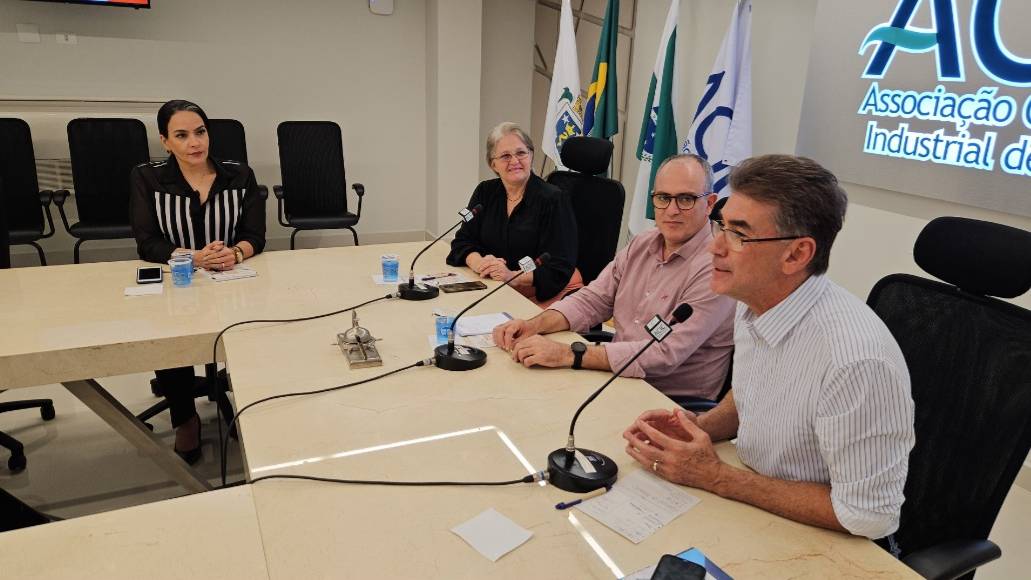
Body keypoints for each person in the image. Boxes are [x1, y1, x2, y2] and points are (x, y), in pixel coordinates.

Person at [622, 154, 916, 540]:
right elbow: (752, 395)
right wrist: (698, 429)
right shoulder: (755, 302)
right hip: (755, 501)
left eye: (739, 235)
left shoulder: (855, 361)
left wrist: (716, 477)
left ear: (796, 254)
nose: (715, 248)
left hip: (827, 542)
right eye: (722, 226)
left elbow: (869, 515)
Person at [493, 154, 735, 401]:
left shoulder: (717, 268)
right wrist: (534, 325)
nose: (672, 210)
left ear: (709, 204)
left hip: (668, 402)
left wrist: (570, 354)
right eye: (663, 198)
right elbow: (593, 299)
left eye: (686, 199)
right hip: (614, 379)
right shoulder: (642, 243)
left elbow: (664, 353)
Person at [129, 99, 266, 464]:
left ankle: (250, 407)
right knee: (169, 332)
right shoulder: (148, 177)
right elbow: (147, 242)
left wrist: (235, 253)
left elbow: (256, 234)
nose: (194, 142)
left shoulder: (239, 175)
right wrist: (192, 256)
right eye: (182, 135)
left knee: (253, 325)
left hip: (232, 278)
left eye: (201, 132)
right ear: (165, 140)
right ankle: (185, 418)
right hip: (180, 278)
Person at [446, 122, 580, 307]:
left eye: (521, 153)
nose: (515, 161)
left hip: (538, 295)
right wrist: (480, 264)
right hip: (492, 286)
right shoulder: (485, 192)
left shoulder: (553, 199)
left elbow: (558, 266)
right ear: (493, 164)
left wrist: (512, 276)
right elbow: (462, 241)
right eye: (505, 156)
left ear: (531, 155)